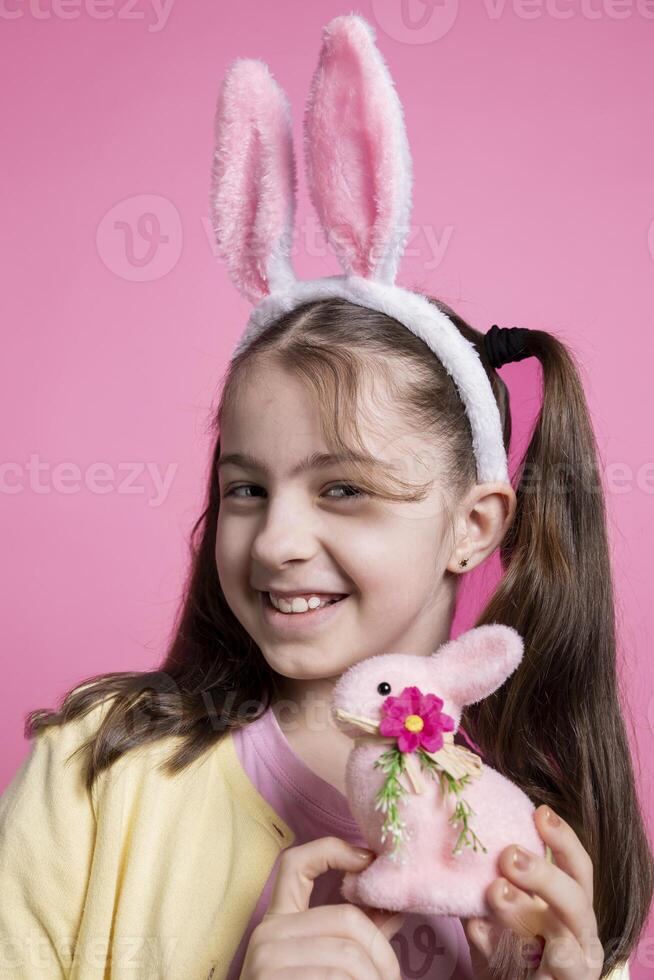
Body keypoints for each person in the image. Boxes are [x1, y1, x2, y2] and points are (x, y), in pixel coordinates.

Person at [1, 12, 650, 980]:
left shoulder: (529, 845)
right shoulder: (99, 770)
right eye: (246, 489)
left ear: (474, 525)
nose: (276, 540)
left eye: (343, 487)